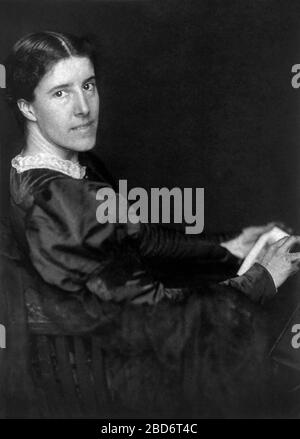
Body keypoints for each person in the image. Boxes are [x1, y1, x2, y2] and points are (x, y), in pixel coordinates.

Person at [5, 31, 300, 418]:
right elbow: (156, 312)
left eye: (88, 86)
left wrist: (229, 248)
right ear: (28, 107)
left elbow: (140, 237)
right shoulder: (57, 200)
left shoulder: (63, 169)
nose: (84, 108)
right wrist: (261, 278)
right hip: (107, 383)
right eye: (60, 93)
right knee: (280, 384)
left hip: (114, 353)